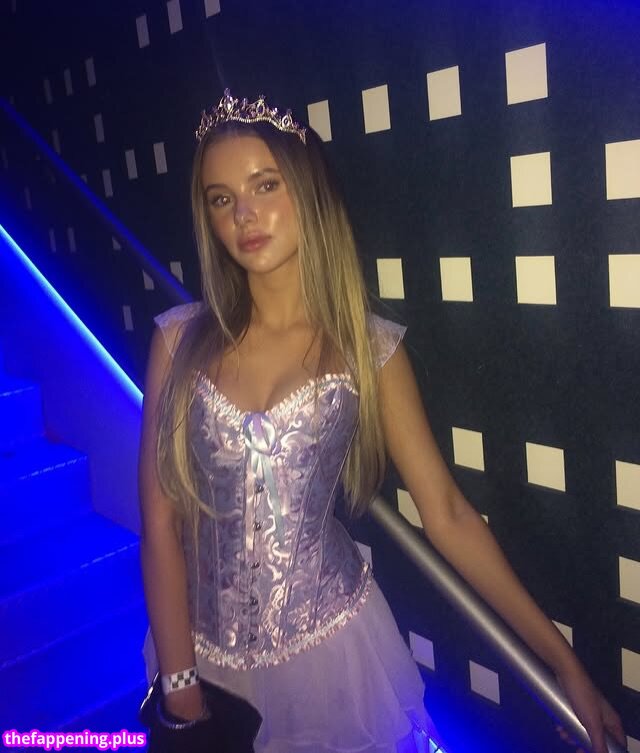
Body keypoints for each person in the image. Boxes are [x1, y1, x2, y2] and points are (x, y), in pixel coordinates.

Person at [138, 90, 626, 753]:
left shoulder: (369, 350)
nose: (243, 214)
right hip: (196, 652)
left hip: (330, 656)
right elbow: (160, 521)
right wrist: (180, 688)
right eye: (221, 198)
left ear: (309, 189)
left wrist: (563, 664)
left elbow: (448, 514)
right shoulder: (179, 340)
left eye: (265, 185)